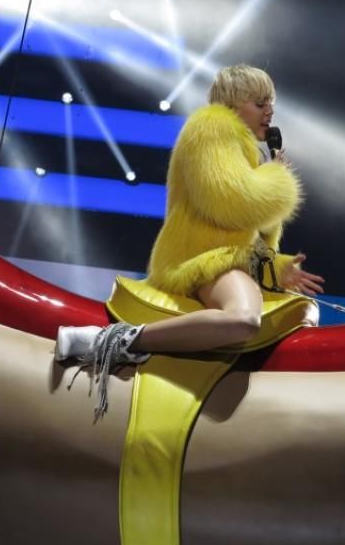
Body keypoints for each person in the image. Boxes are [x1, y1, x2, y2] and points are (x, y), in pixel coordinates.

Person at [55, 65, 324, 380]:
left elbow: (250, 231)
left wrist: (275, 268)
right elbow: (232, 203)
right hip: (199, 260)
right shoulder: (213, 127)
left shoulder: (246, 149)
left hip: (222, 258)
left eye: (271, 103)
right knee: (243, 319)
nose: (270, 110)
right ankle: (114, 341)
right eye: (260, 103)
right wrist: (276, 177)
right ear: (233, 104)